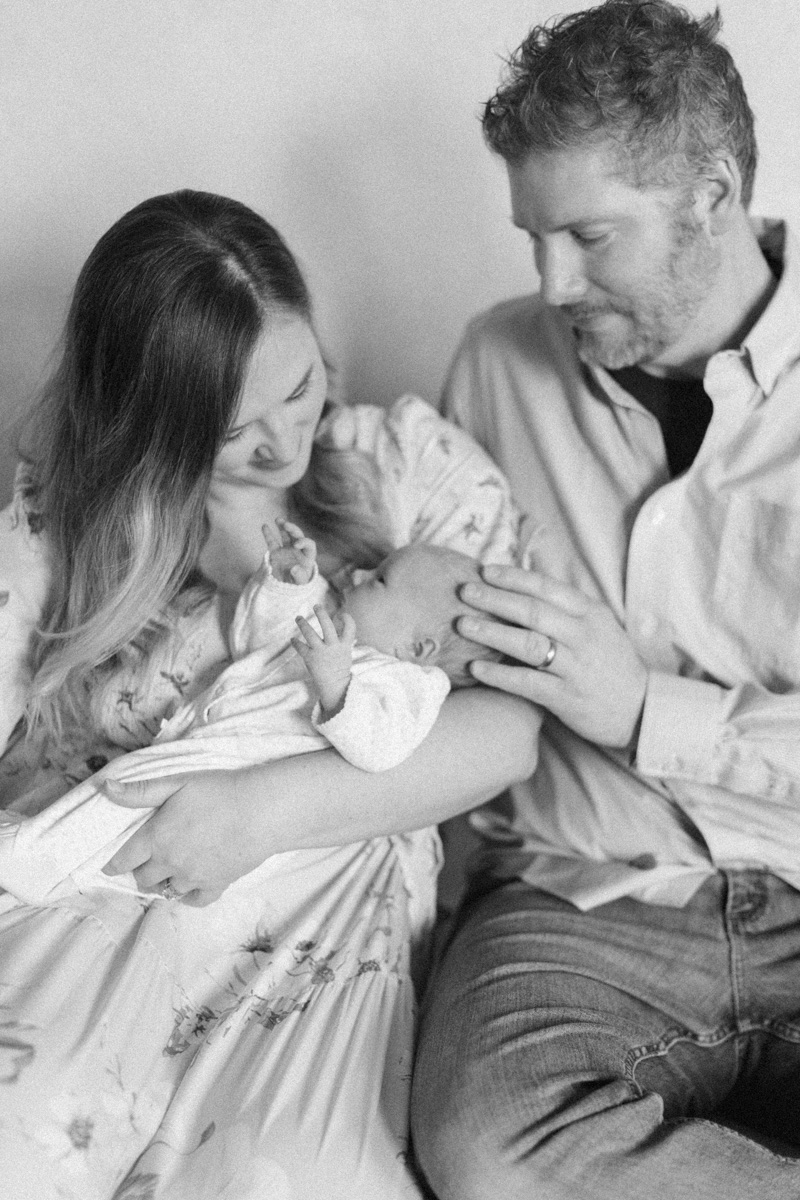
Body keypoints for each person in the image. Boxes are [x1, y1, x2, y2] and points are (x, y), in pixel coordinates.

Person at [0, 189, 539, 1200]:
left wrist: (263, 809)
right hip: (105, 899)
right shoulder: (63, 523)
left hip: (319, 927)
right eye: (231, 428)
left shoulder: (406, 470)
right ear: (148, 421)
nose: (283, 444)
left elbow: (509, 730)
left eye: (296, 389)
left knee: (285, 1176)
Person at [410, 2, 800, 1198]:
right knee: (487, 1151)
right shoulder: (494, 364)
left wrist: (643, 709)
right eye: (532, 236)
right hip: (579, 900)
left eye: (587, 235)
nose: (550, 280)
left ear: (710, 190)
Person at [0, 525, 505, 908]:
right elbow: (261, 640)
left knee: (125, 797)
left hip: (244, 770)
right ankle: (53, 857)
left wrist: (337, 684)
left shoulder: (409, 685)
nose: (358, 575)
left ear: (419, 646)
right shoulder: (338, 637)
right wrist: (290, 584)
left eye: (380, 581)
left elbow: (380, 748)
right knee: (120, 795)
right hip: (208, 746)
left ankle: (30, 856)